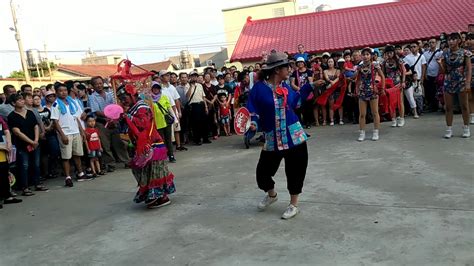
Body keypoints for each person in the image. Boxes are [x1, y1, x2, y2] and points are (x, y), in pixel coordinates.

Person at [247, 52, 312, 220]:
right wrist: (253, 123)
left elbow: (296, 102)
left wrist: (310, 87)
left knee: (296, 170)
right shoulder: (259, 89)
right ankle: (272, 195)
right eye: (286, 67)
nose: (289, 70)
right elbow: (252, 108)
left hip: (294, 136)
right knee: (262, 173)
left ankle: (293, 205)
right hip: (272, 137)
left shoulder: (286, 87)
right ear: (277, 70)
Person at [118, 86, 176, 209]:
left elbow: (144, 124)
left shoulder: (142, 107)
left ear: (132, 95)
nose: (123, 101)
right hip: (141, 145)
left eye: (125, 98)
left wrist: (128, 118)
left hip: (151, 143)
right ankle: (153, 195)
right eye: (121, 99)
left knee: (155, 171)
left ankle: (160, 196)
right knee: (143, 170)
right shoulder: (133, 108)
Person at [51, 83, 91, 187]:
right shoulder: (56, 105)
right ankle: (68, 177)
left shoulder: (71, 103)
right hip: (65, 133)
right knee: (66, 156)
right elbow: (55, 122)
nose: (63, 92)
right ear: (56, 92)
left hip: (75, 131)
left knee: (77, 154)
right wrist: (62, 135)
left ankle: (80, 173)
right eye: (60, 90)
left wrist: (81, 131)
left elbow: (76, 118)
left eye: (65, 90)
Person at [7, 94, 48, 196]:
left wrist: (36, 139)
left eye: (22, 99)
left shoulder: (30, 113)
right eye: (19, 100)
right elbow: (17, 132)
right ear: (13, 103)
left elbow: (36, 126)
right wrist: (31, 142)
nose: (22, 101)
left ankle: (37, 183)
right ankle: (25, 187)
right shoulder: (11, 116)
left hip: (35, 142)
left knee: (36, 164)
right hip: (22, 144)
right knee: (24, 165)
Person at [89, 76, 129, 172]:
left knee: (118, 142)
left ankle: (126, 160)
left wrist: (114, 117)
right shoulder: (92, 97)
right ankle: (110, 164)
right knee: (105, 144)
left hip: (113, 121)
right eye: (96, 84)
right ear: (93, 86)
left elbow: (116, 106)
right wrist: (108, 116)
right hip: (102, 122)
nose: (99, 85)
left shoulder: (110, 94)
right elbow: (97, 111)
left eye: (100, 83)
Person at [438, 32, 472, 138]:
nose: (450, 42)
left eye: (453, 39)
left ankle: (466, 127)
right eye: (449, 40)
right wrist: (440, 64)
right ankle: (449, 128)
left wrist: (467, 82)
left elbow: (469, 69)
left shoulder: (465, 53)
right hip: (448, 81)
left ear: (458, 41)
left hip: (461, 81)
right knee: (448, 107)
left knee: (464, 106)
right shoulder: (445, 53)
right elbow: (443, 71)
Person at [355, 47, 385, 141]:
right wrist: (357, 89)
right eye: (363, 55)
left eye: (367, 54)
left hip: (373, 91)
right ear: (361, 56)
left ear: (371, 56)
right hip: (362, 91)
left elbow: (382, 77)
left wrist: (382, 88)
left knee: (375, 113)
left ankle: (376, 132)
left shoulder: (375, 65)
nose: (365, 56)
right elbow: (358, 79)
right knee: (362, 114)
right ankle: (362, 133)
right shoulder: (359, 67)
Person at [151, 82, 178, 163]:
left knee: (168, 140)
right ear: (152, 89)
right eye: (154, 88)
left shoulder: (164, 97)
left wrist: (175, 119)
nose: (156, 89)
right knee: (160, 141)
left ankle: (171, 156)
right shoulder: (149, 99)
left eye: (157, 88)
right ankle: (162, 156)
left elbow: (169, 108)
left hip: (166, 122)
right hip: (157, 123)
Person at [0, 116, 22, 209]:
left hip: (3, 149)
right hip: (1, 147)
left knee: (4, 173)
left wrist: (8, 143)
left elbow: (6, 130)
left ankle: (7, 196)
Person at [382, 44, 407, 127]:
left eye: (391, 52)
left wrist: (403, 81)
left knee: (400, 101)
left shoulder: (398, 60)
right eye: (387, 53)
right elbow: (382, 74)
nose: (389, 54)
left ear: (393, 52)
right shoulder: (384, 62)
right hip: (389, 84)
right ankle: (393, 119)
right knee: (390, 102)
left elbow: (403, 71)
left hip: (398, 83)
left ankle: (402, 118)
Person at [187, 71, 210, 145]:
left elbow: (203, 96)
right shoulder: (187, 86)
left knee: (204, 122)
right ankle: (197, 139)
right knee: (196, 124)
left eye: (195, 76)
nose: (194, 77)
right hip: (194, 106)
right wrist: (191, 86)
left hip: (201, 104)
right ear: (190, 77)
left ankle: (205, 138)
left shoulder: (200, 85)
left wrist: (206, 106)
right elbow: (187, 96)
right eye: (192, 76)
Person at [291, 57, 314, 128]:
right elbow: (292, 83)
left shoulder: (308, 71)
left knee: (308, 108)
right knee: (299, 109)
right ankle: (300, 123)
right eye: (298, 62)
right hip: (299, 93)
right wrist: (299, 89)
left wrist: (306, 89)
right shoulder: (295, 72)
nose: (300, 63)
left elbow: (311, 82)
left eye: (301, 62)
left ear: (304, 63)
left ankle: (308, 123)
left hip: (307, 92)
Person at [423, 38, 443, 112]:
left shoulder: (440, 52)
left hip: (437, 75)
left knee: (438, 91)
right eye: (430, 42)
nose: (431, 44)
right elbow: (424, 65)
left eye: (433, 42)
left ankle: (439, 105)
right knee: (430, 92)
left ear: (436, 43)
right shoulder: (425, 53)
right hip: (429, 74)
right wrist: (425, 74)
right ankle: (433, 106)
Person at [323, 58, 341, 126]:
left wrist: (333, 82)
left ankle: (340, 119)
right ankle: (332, 120)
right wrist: (332, 82)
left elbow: (338, 78)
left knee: (339, 105)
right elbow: (327, 78)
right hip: (329, 89)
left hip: (337, 89)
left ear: (334, 63)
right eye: (329, 62)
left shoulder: (338, 70)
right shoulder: (325, 71)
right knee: (331, 105)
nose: (330, 63)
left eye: (331, 62)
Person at [175, 72, 190, 150]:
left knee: (190, 123)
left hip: (190, 106)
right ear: (180, 79)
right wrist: (181, 106)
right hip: (182, 108)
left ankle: (190, 138)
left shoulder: (190, 86)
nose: (184, 79)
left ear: (187, 78)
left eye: (185, 77)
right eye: (182, 77)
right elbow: (177, 99)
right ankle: (183, 140)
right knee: (183, 124)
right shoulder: (177, 88)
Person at [202, 73, 219, 140]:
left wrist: (212, 101)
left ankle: (215, 134)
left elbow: (216, 95)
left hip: (213, 105)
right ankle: (208, 134)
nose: (207, 78)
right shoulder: (202, 86)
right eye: (206, 77)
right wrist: (209, 102)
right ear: (204, 78)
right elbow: (202, 96)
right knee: (206, 120)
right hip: (205, 105)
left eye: (208, 77)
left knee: (214, 120)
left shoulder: (213, 86)